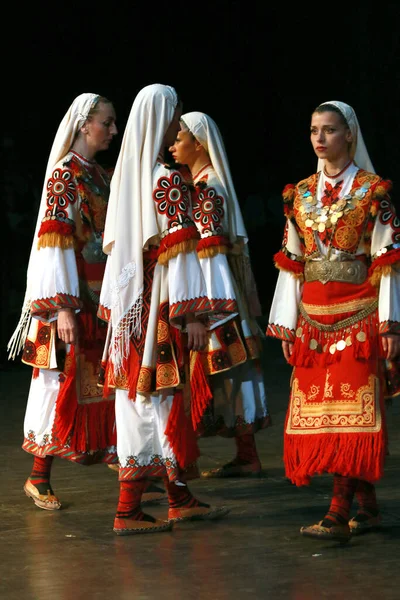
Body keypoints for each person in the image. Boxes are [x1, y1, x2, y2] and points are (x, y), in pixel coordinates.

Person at [98, 84, 230, 535]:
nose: (177, 126)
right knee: (162, 398)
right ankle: (148, 503)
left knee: (136, 400)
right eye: (174, 114)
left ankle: (155, 501)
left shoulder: (124, 179)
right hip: (156, 305)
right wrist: (193, 313)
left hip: (127, 311)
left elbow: (114, 248)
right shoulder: (165, 178)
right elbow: (180, 248)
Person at [267, 100, 400, 542]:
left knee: (351, 415)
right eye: (313, 131)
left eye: (328, 130)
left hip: (359, 318)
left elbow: (387, 260)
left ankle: (338, 511)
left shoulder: (372, 192)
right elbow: (292, 260)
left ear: (350, 136)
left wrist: (391, 322)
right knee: (322, 416)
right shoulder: (300, 193)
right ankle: (369, 506)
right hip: (312, 322)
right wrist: (286, 324)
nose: (319, 139)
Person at [7, 93, 119, 510]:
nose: (112, 131)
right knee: (57, 381)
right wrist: (63, 307)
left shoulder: (100, 176)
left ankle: (122, 460)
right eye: (106, 123)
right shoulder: (64, 176)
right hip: (69, 296)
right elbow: (54, 243)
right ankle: (39, 476)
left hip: (98, 295)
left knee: (102, 380)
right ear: (83, 124)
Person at [168, 112, 271, 478]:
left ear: (198, 143)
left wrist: (206, 310)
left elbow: (210, 253)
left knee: (223, 369)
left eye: (179, 138)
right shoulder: (199, 181)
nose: (172, 145)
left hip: (214, 294)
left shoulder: (208, 187)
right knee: (229, 371)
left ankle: (192, 460)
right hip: (214, 293)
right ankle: (244, 454)